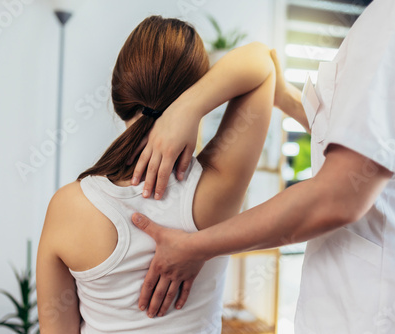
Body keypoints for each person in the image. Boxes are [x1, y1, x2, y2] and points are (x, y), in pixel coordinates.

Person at [129, 1, 395, 333]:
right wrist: (285, 98)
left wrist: (193, 247)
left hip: (384, 310)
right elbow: (374, 139)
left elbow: (339, 196)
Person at [36, 16, 282, 333]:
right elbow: (261, 61)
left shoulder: (67, 206)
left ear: (118, 96)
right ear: (200, 90)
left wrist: (184, 107)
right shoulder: (214, 185)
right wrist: (191, 107)